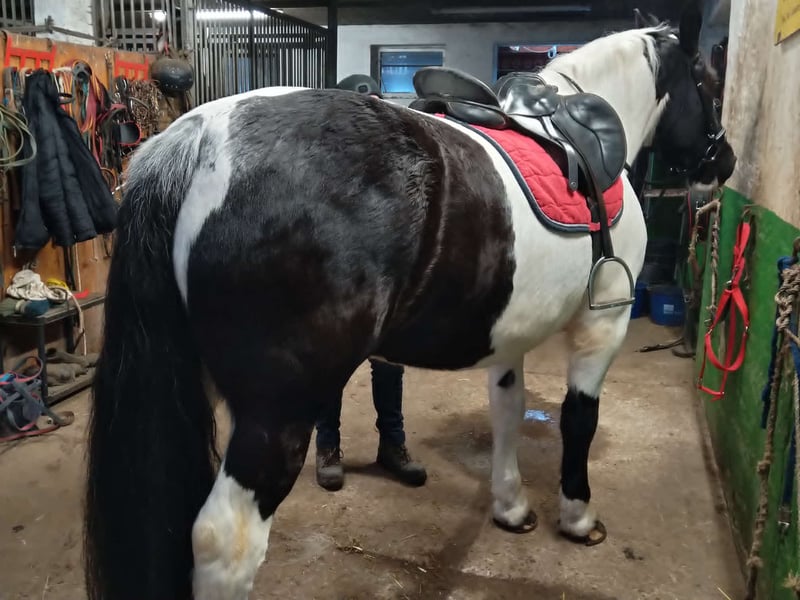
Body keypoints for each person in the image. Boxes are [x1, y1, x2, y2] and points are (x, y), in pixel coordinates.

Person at [314, 75, 427, 492]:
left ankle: (392, 446)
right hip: (337, 288)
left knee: (390, 368)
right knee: (330, 371)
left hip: (385, 286)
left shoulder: (394, 166)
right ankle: (327, 448)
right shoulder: (322, 164)